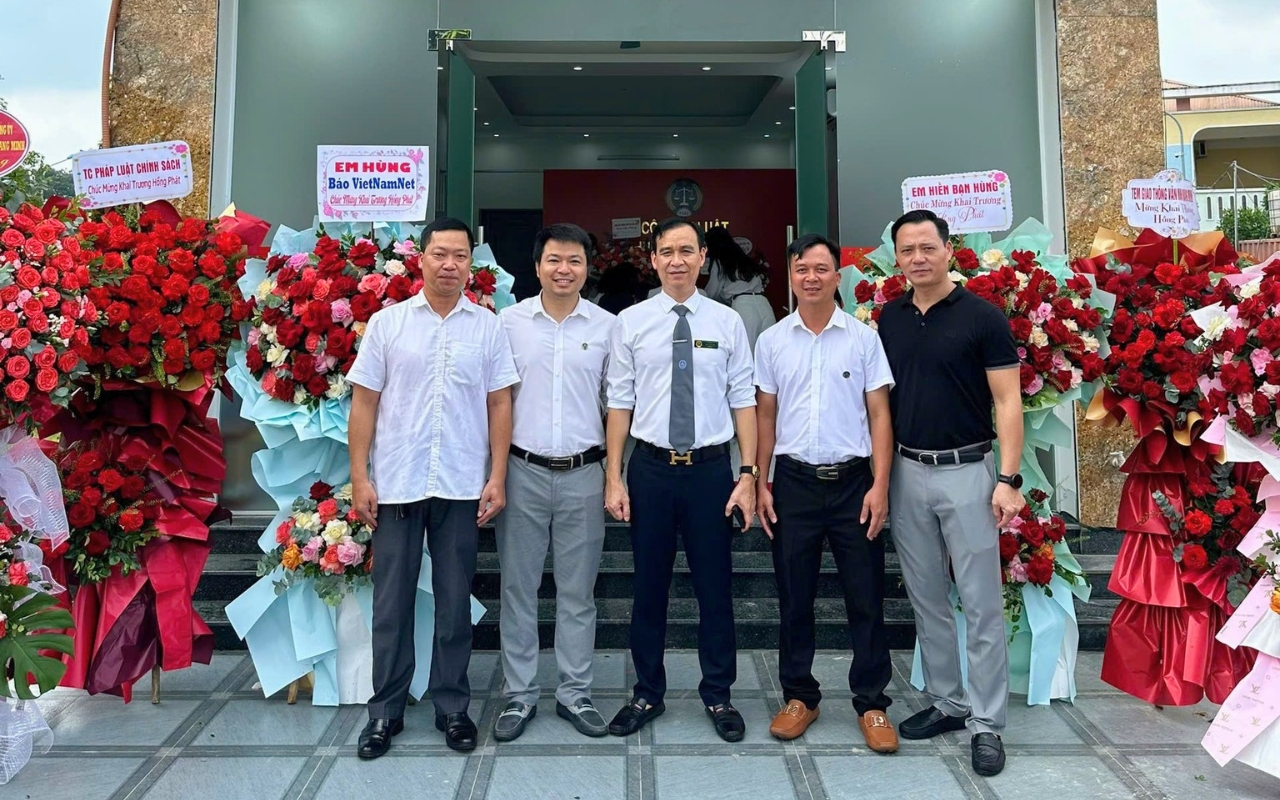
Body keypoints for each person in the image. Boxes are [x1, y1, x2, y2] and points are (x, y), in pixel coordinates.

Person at [348, 217, 520, 759]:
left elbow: (499, 402)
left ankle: (452, 707)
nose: (450, 264)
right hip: (397, 483)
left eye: (460, 256)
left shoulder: (488, 327)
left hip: (462, 484)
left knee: (453, 604)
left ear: (472, 263)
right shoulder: (388, 324)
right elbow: (364, 402)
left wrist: (497, 475)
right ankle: (385, 711)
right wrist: (359, 476)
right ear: (420, 259)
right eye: (440, 254)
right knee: (391, 605)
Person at [876, 209, 1024, 776]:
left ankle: (986, 723)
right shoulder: (889, 318)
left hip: (968, 471)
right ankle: (948, 700)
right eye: (907, 249)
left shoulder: (983, 317)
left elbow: (1008, 401)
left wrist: (1007, 480)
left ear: (948, 250)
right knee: (926, 595)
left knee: (981, 602)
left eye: (927, 247)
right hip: (907, 471)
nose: (917, 257)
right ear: (897, 258)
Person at [604, 217, 758, 742]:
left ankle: (718, 693)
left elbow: (743, 400)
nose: (677, 260)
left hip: (711, 472)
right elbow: (620, 402)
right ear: (653, 259)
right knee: (649, 587)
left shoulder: (727, 322)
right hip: (650, 470)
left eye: (687, 250)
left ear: (703, 258)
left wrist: (748, 474)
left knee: (715, 587)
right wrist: (614, 476)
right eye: (667, 251)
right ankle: (647, 691)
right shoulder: (630, 322)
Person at [754, 233, 898, 753]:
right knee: (794, 596)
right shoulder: (772, 341)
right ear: (791, 277)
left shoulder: (863, 339)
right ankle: (800, 697)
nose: (810, 278)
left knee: (865, 596)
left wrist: (880, 485)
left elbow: (880, 415)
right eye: (801, 269)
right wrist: (761, 481)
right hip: (793, 485)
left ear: (839, 276)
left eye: (821, 269)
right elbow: (765, 416)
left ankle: (872, 702)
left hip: (854, 484)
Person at [492, 223, 616, 741]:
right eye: (554, 260)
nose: (564, 270)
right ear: (537, 265)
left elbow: (617, 405)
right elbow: (495, 401)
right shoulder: (507, 323)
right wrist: (494, 475)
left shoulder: (609, 327)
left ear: (587, 268)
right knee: (517, 588)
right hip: (521, 471)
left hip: (584, 473)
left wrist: (615, 475)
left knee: (578, 592)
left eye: (574, 261)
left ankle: (575, 693)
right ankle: (519, 696)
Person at [703, 226, 775, 352]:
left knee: (746, 352)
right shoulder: (744, 259)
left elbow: (712, 292)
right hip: (764, 303)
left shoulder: (720, 262)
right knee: (769, 351)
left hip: (743, 306)